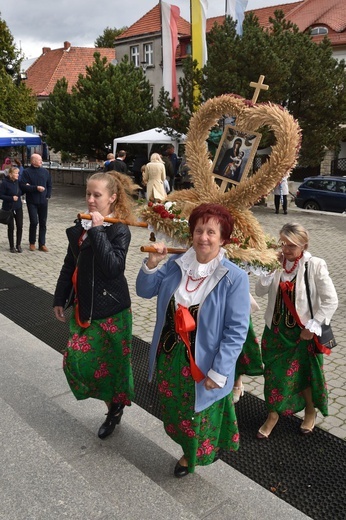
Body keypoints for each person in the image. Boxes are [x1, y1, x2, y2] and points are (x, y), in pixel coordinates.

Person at [136, 203, 250, 477]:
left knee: (197, 415)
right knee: (175, 410)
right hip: (169, 356)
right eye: (199, 230)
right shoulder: (177, 265)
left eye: (212, 232)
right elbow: (144, 290)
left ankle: (191, 455)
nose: (204, 237)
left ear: (223, 238)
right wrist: (152, 264)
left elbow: (236, 331)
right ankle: (186, 445)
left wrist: (220, 372)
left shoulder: (234, 278)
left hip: (205, 363)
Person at [53, 171, 138, 439]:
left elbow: (114, 268)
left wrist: (99, 230)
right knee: (75, 361)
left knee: (113, 368)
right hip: (85, 308)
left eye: (97, 195)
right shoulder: (82, 225)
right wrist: (59, 297)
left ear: (112, 198)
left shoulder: (119, 229)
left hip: (113, 311)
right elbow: (71, 264)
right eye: (88, 194)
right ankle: (113, 403)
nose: (90, 199)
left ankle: (113, 410)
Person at [255, 223, 338, 439]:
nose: (286, 250)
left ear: (304, 245)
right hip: (274, 332)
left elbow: (331, 301)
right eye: (283, 244)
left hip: (301, 335)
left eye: (292, 246)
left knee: (304, 377)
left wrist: (313, 326)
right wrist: (266, 270)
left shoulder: (315, 265)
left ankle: (310, 412)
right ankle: (272, 415)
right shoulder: (276, 262)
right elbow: (260, 291)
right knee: (272, 376)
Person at [20, 153, 52, 252]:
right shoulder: (26, 172)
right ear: (33, 161)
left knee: (43, 223)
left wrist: (47, 196)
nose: (41, 162)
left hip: (43, 201)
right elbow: (23, 186)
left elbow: (49, 184)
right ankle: (32, 242)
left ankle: (42, 244)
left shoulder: (45, 172)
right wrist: (35, 188)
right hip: (32, 201)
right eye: (39, 160)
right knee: (34, 222)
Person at [0, 166, 23, 253]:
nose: (18, 175)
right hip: (8, 208)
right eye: (16, 173)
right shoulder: (4, 183)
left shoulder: (18, 182)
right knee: (11, 227)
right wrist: (11, 198)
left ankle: (18, 245)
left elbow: (21, 190)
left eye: (18, 173)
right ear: (10, 174)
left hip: (18, 207)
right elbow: (1, 195)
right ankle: (12, 246)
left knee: (19, 226)